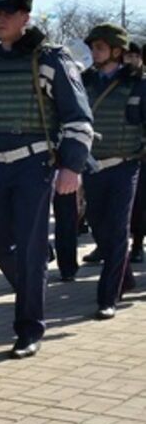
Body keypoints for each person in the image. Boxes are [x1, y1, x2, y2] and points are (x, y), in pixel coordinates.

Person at [0, 0, 93, 358]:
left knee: (31, 248)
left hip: (35, 166)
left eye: (9, 13)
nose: (0, 19)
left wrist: (71, 167)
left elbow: (78, 116)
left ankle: (29, 327)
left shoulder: (50, 59)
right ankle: (33, 278)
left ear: (25, 17)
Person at [74, 23, 143, 319]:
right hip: (91, 166)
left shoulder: (138, 83)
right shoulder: (83, 82)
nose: (94, 52)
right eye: (92, 47)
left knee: (116, 229)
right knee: (98, 226)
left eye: (100, 47)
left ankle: (107, 297)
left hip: (124, 166)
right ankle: (123, 274)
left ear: (117, 50)